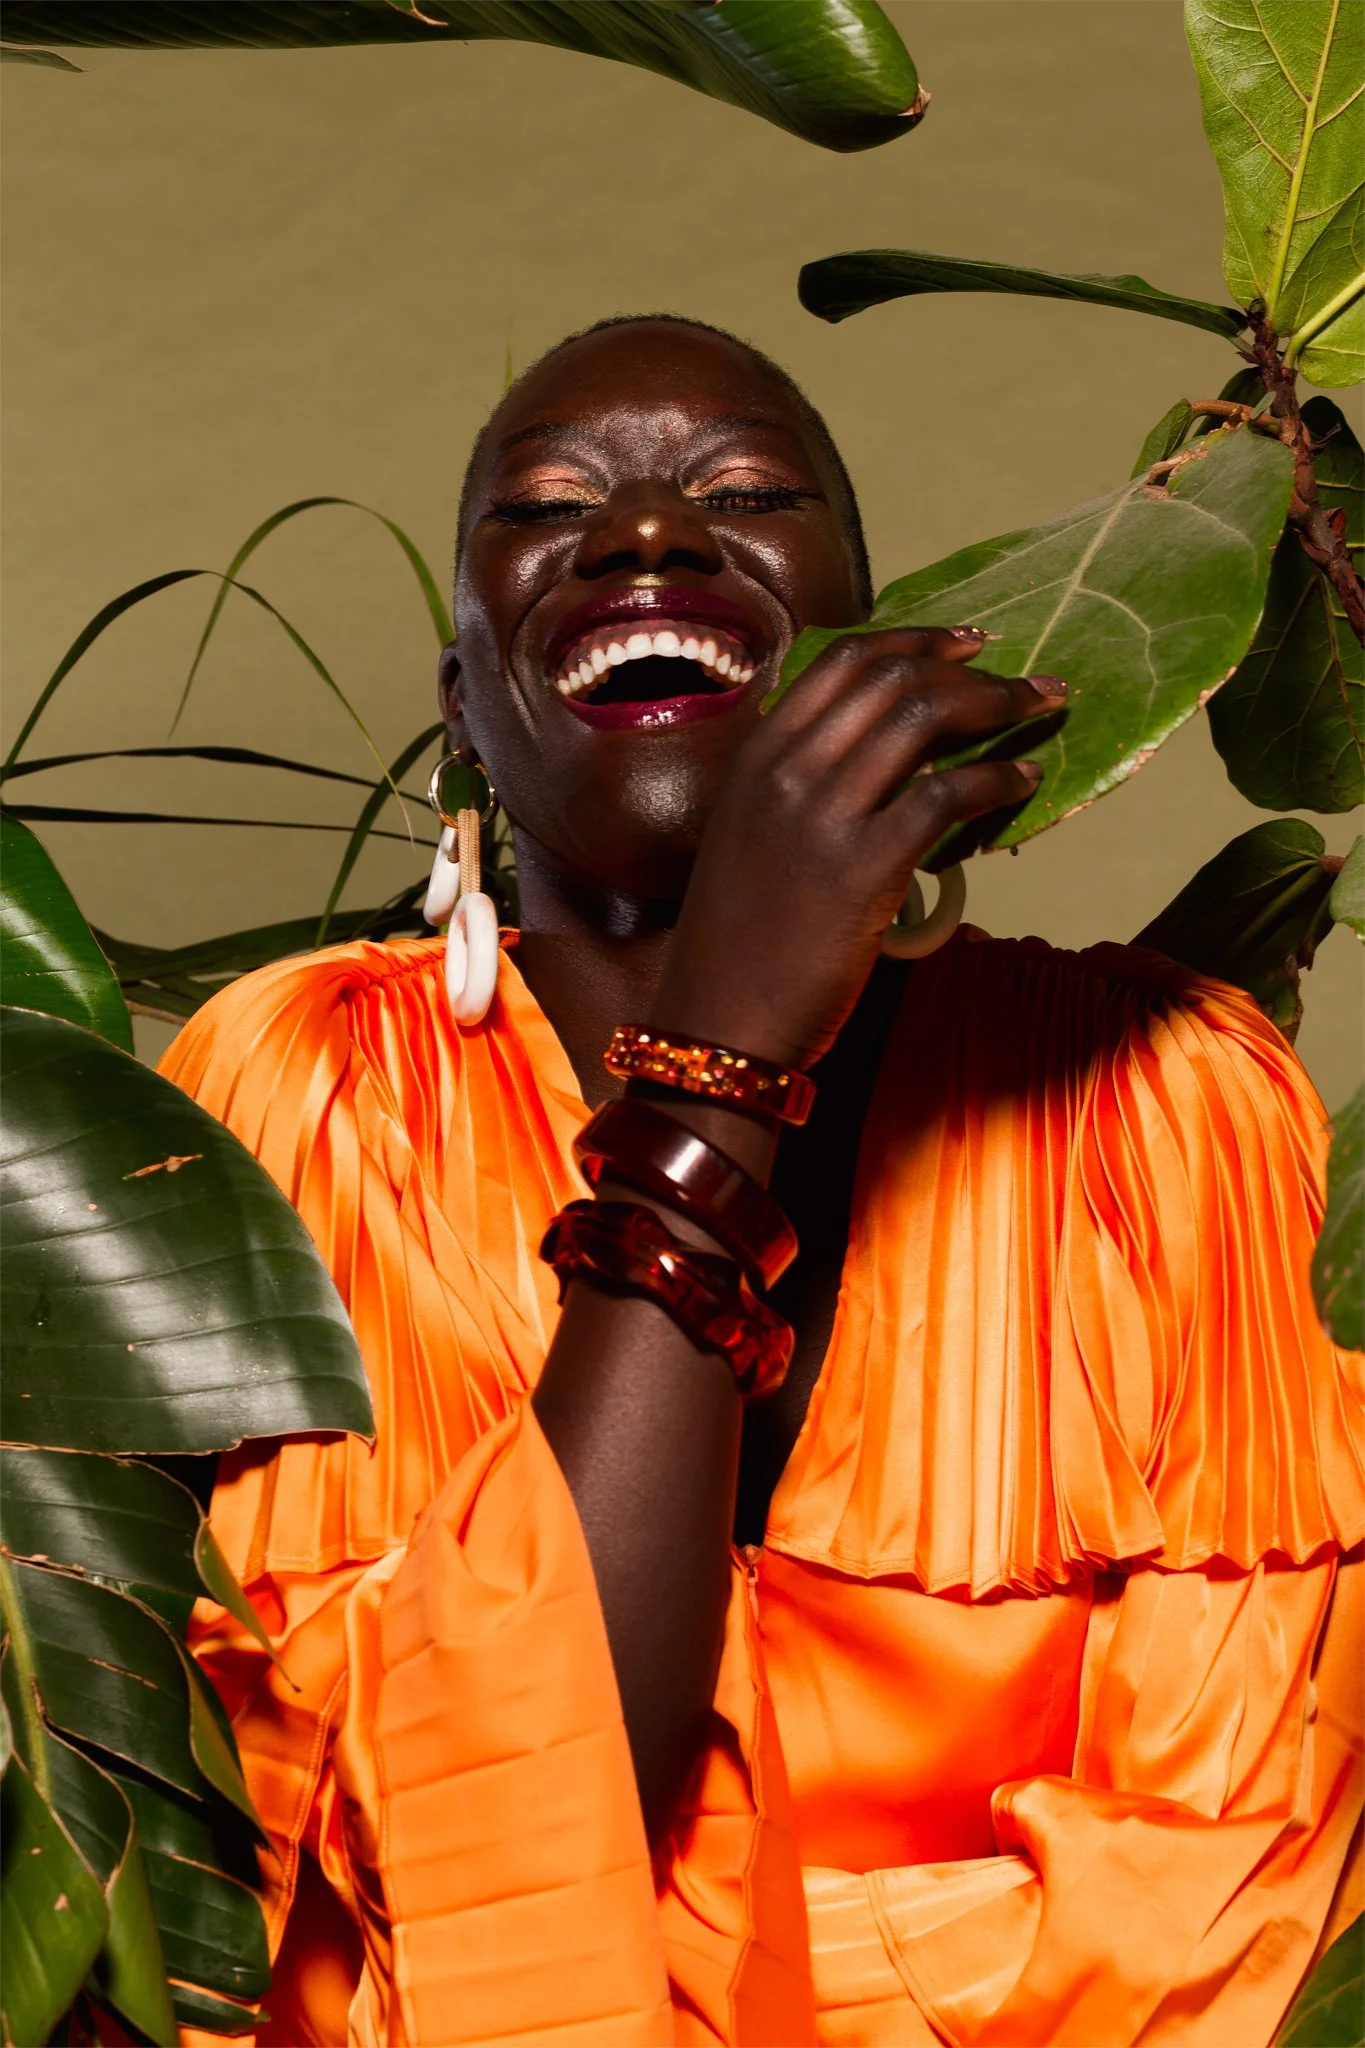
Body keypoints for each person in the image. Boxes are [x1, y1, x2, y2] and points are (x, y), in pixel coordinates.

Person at [165, 315, 1363, 2048]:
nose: (647, 533)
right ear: (465, 713)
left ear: (878, 649)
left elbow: (1227, 1901)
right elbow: (406, 1864)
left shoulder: (1164, 1105)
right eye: (547, 509)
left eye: (741, 489)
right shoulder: (310, 1089)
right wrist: (725, 1047)